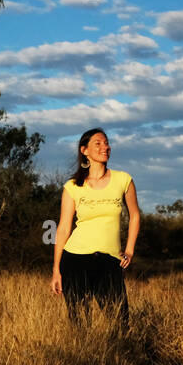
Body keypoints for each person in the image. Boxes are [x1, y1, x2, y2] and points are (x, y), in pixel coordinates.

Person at [50, 128, 140, 331]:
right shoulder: (73, 186)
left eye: (106, 143)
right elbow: (64, 228)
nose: (105, 147)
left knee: (120, 323)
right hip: (74, 259)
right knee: (80, 324)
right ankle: (86, 360)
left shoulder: (123, 179)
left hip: (110, 260)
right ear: (85, 150)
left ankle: (118, 361)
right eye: (98, 143)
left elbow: (134, 215)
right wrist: (56, 270)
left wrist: (130, 250)